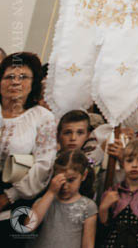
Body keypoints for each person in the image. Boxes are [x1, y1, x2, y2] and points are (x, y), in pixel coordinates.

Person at [0, 51, 57, 232]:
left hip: (14, 202)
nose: (15, 82)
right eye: (9, 77)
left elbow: (44, 164)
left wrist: (9, 196)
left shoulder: (43, 117)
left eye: (23, 77)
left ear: (33, 84)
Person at [27, 148, 98, 248]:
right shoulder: (44, 201)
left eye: (71, 180)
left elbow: (88, 244)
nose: (64, 186)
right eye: (60, 180)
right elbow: (28, 226)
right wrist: (51, 192)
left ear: (84, 175)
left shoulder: (88, 206)